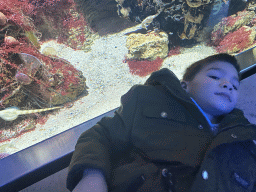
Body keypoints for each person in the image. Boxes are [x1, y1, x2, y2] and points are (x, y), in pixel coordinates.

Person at [66, 53, 256, 192]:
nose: (227, 85)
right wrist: (91, 175)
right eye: (215, 76)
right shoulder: (150, 101)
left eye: (234, 85)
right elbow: (100, 135)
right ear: (185, 85)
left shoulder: (245, 138)